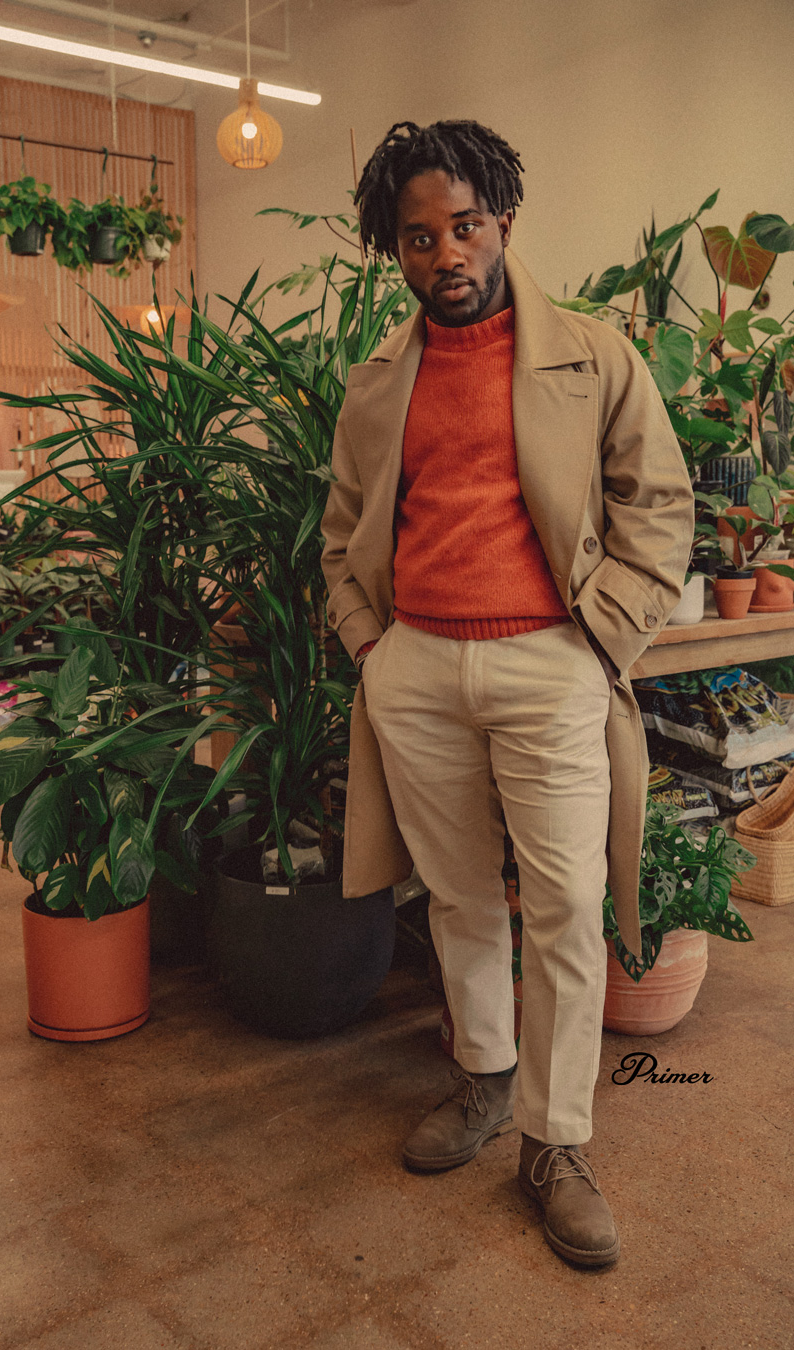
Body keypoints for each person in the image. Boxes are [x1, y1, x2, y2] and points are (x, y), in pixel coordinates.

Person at [320, 119, 694, 1268]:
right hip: (418, 668)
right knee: (458, 898)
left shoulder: (594, 354)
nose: (449, 255)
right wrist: (373, 647)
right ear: (397, 251)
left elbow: (661, 505)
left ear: (504, 225)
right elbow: (341, 537)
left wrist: (599, 641)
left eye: (466, 228)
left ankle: (557, 1142)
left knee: (567, 909)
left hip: (550, 661)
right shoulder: (380, 382)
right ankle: (484, 1081)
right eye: (420, 237)